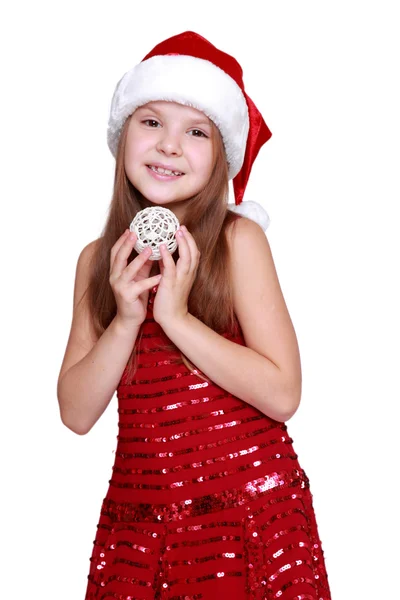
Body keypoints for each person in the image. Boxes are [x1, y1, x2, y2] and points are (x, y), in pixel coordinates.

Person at [57, 31, 331, 600]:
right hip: (139, 525)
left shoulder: (238, 243)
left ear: (222, 155)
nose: (170, 146)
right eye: (151, 121)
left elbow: (283, 394)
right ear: (122, 133)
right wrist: (128, 319)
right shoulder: (97, 261)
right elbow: (76, 413)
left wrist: (178, 318)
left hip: (250, 517)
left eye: (196, 131)